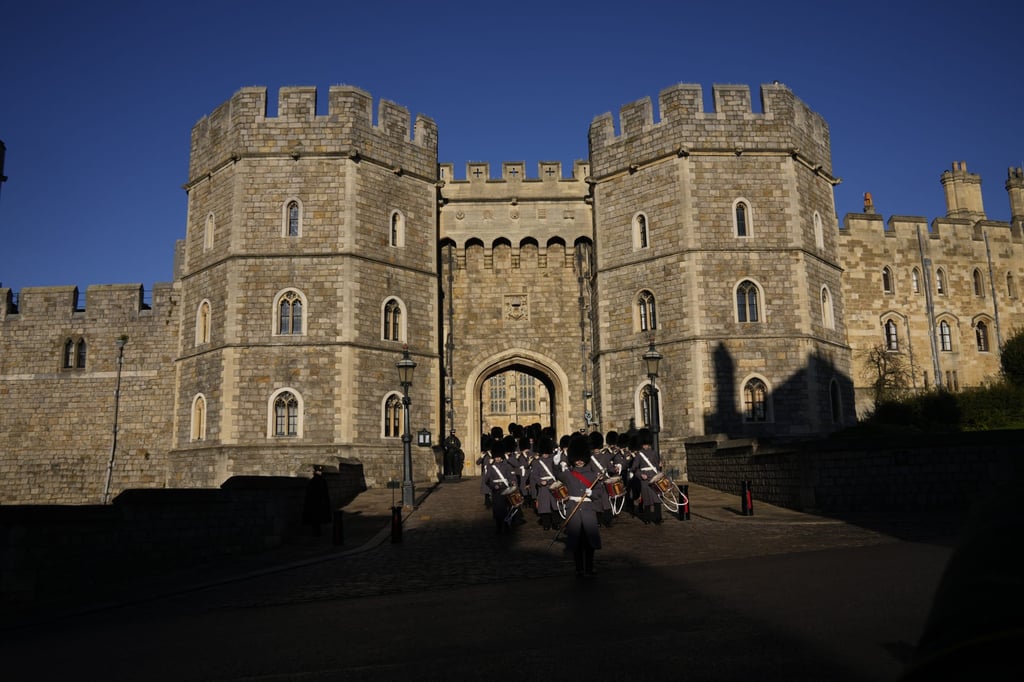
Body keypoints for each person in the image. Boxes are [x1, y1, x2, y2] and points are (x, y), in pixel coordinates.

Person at [557, 434, 602, 578]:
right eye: (577, 458)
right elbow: (556, 478)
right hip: (574, 510)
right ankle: (579, 568)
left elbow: (599, 493)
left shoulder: (593, 475)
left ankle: (589, 567)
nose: (579, 462)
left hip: (588, 510)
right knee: (576, 542)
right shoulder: (568, 475)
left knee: (589, 543)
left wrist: (591, 493)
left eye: (581, 458)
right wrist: (558, 461)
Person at [482, 441, 519, 534]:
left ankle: (506, 526)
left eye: (499, 457)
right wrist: (494, 486)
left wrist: (513, 481)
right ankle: (498, 526)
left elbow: (511, 477)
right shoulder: (491, 467)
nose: (497, 459)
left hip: (505, 489)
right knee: (498, 510)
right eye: (496, 457)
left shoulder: (506, 466)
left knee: (506, 509)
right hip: (496, 491)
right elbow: (487, 480)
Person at [527, 436, 562, 531]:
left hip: (552, 484)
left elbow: (556, 471)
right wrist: (540, 481)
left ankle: (556, 523)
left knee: (555, 506)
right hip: (543, 487)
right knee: (544, 507)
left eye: (547, 452)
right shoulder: (537, 462)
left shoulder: (552, 460)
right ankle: (546, 524)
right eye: (544, 453)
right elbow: (534, 475)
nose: (546, 455)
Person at [629, 428, 664, 525]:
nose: (645, 446)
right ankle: (647, 518)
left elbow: (658, 466)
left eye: (646, 444)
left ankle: (658, 518)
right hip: (644, 479)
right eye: (644, 444)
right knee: (647, 500)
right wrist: (641, 475)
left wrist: (660, 468)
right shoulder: (639, 455)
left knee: (657, 499)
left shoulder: (654, 452)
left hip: (654, 477)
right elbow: (634, 468)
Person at [302, 465, 332, 536]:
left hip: (320, 503)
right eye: (319, 471)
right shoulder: (313, 481)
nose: (320, 473)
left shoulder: (322, 481)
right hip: (315, 504)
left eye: (321, 471)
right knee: (315, 520)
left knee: (318, 520)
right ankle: (316, 533)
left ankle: (317, 532)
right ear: (315, 472)